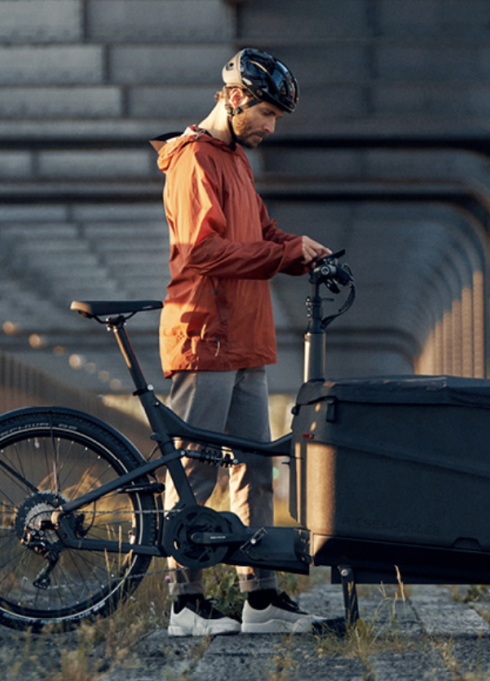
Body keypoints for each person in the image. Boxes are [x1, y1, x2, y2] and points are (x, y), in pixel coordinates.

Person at [152, 48, 331, 637]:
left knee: (254, 469)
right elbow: (201, 252)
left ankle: (260, 599)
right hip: (206, 334)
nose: (271, 127)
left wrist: (302, 251)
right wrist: (281, 253)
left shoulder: (234, 161)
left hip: (245, 339)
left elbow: (263, 231)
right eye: (267, 114)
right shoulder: (194, 162)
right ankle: (185, 605)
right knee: (194, 471)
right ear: (233, 99)